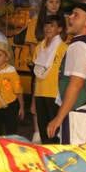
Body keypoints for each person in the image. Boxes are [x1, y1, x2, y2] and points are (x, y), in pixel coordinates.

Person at [47, 2, 86, 144]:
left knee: (73, 158)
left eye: (76, 15)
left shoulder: (79, 46)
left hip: (79, 118)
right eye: (71, 14)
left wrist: (59, 118)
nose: (70, 17)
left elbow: (76, 84)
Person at [31, 15, 67, 144]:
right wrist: (33, 99)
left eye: (52, 25)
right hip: (40, 93)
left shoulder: (63, 48)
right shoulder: (39, 48)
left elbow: (66, 75)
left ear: (60, 29)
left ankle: (55, 154)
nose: (48, 28)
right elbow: (36, 75)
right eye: (46, 25)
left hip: (55, 94)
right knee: (43, 130)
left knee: (54, 132)